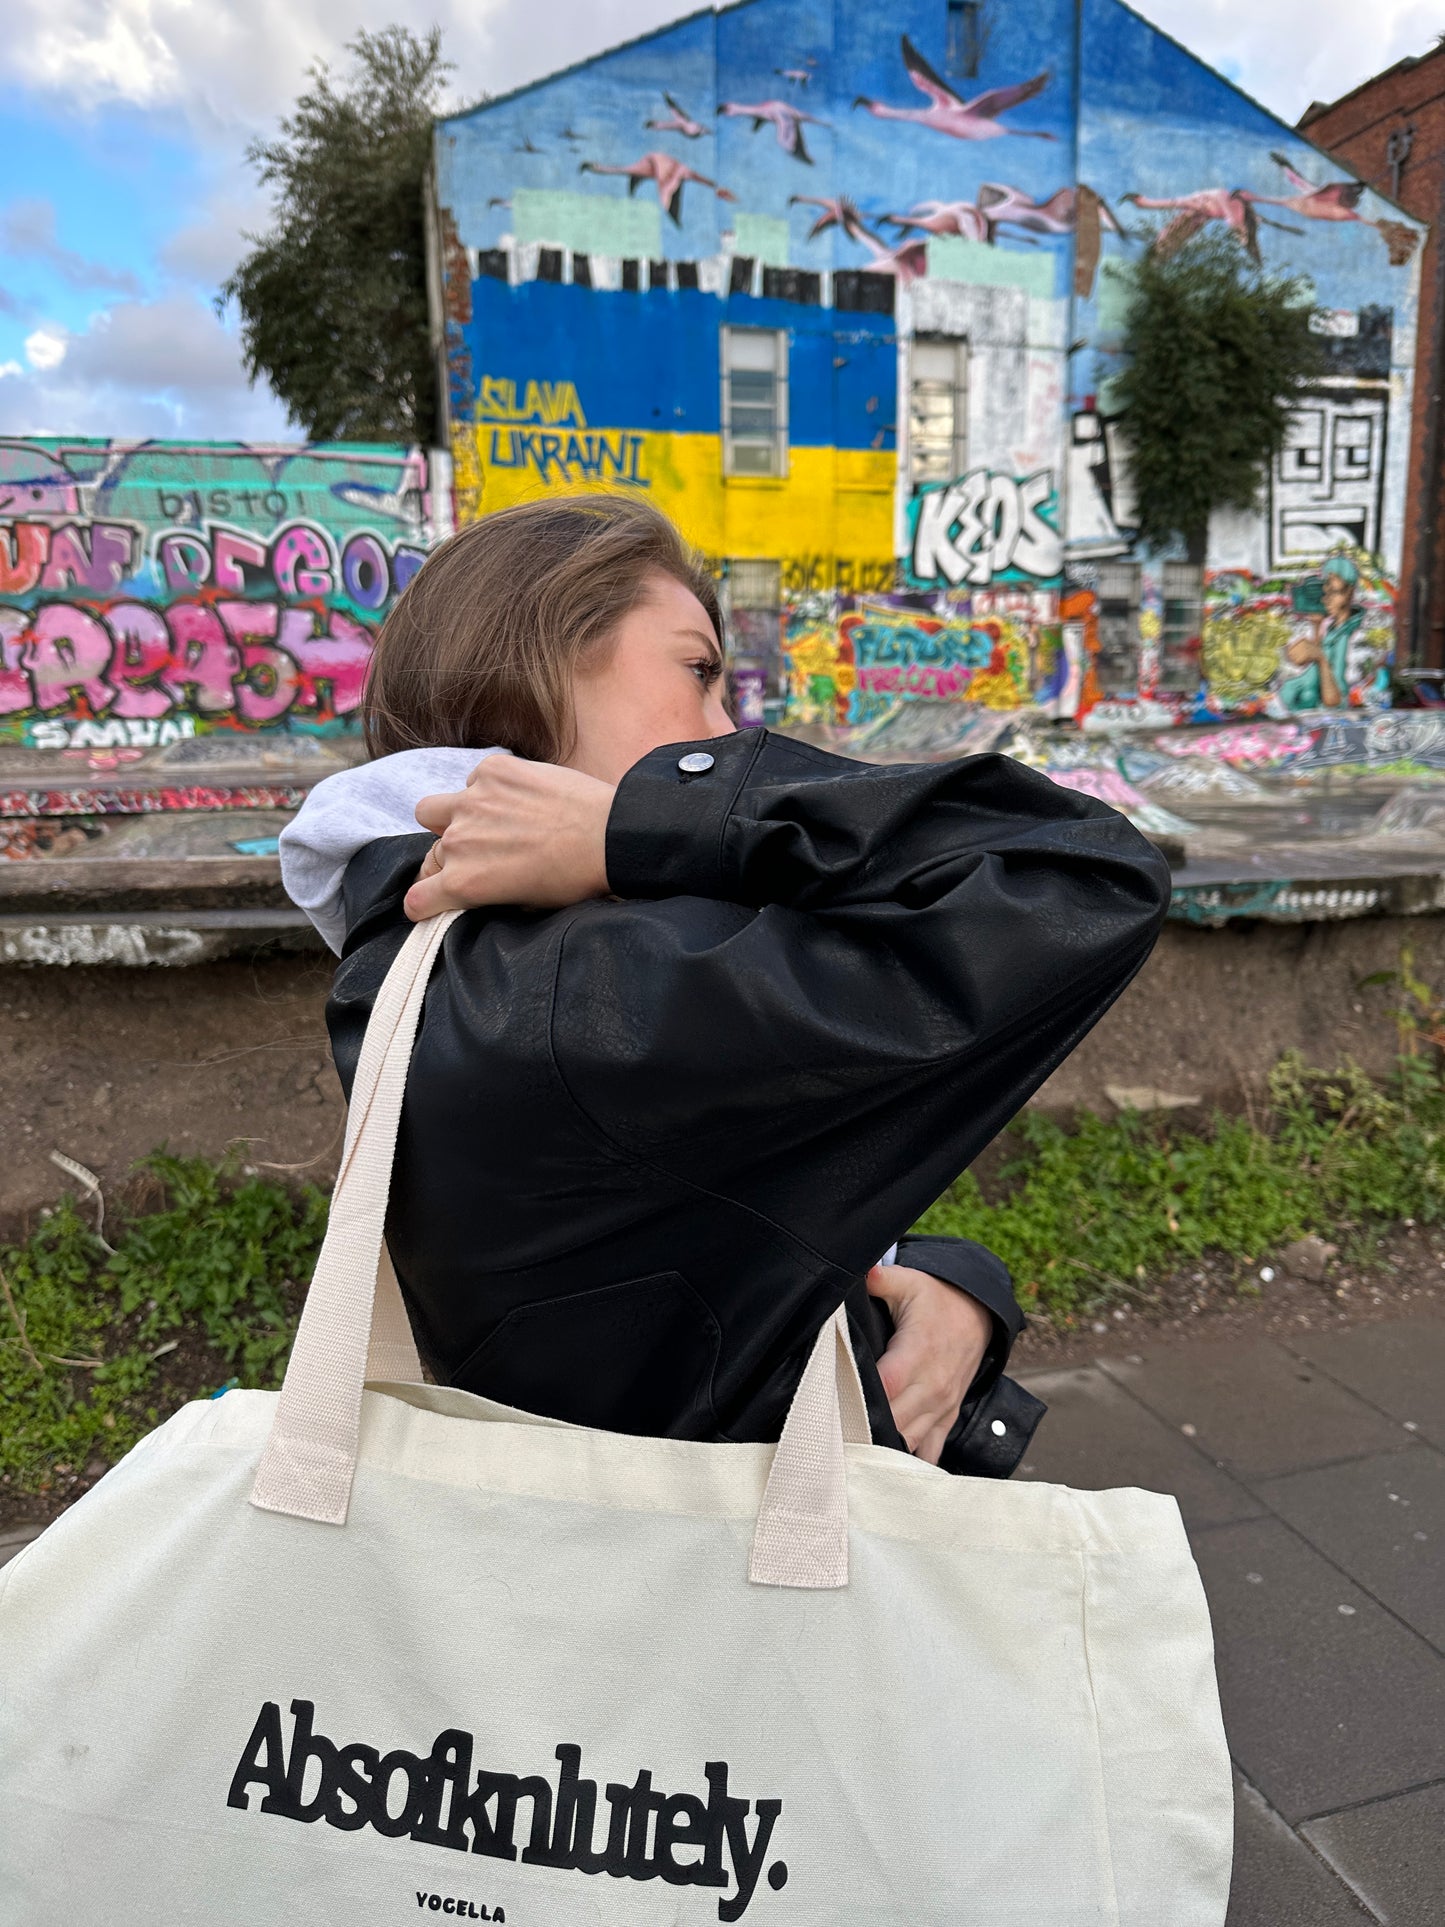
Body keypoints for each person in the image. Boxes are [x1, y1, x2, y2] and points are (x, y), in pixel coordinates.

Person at [280, 494, 1171, 1474]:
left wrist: (951, 1278)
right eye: (699, 674)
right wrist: (654, 816)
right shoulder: (578, 986)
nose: (727, 727)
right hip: (742, 1587)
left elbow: (707, 1224)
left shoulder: (435, 963)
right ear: (531, 667)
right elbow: (1080, 871)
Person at [1281, 554, 1363, 711]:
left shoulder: (1346, 635)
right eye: (1326, 592)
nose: (1326, 600)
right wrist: (1316, 625)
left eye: (1335, 592)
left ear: (1350, 593)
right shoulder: (1334, 627)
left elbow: (1333, 700)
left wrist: (1320, 658)